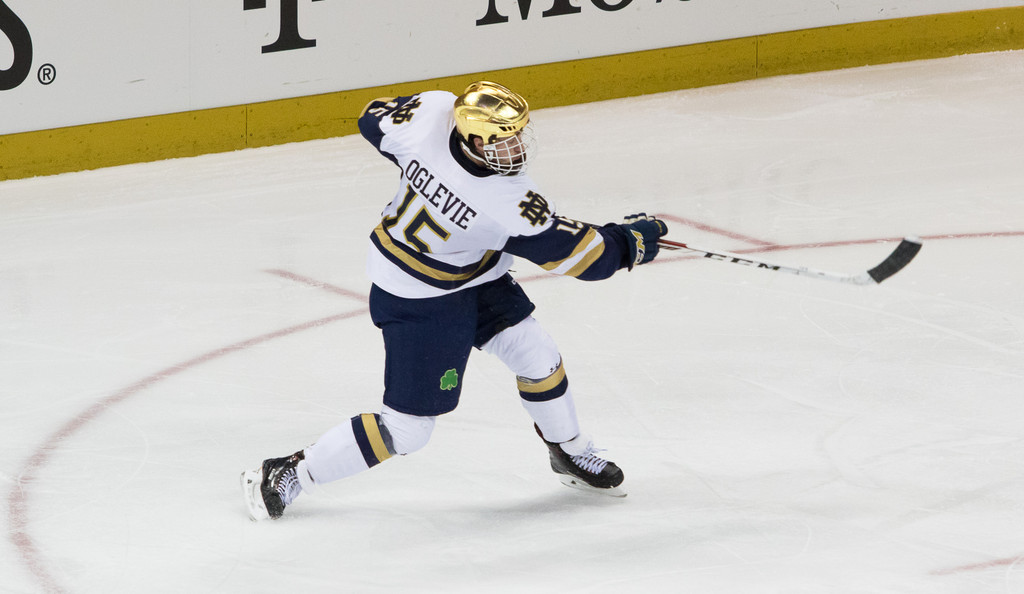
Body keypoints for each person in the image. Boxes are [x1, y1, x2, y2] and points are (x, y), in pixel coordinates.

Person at [241, 81, 668, 520]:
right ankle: (288, 471)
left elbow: (372, 118)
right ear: (475, 139)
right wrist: (629, 241)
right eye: (504, 140)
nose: (517, 147)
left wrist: (417, 165)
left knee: (537, 355)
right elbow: (587, 259)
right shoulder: (506, 202)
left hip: (469, 272)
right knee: (408, 431)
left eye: (519, 134)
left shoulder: (434, 112)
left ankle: (571, 453)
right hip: (418, 298)